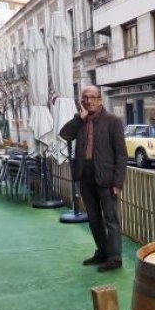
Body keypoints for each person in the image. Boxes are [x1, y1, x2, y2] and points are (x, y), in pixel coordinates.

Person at [59, 85, 127, 271]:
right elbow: (65, 134)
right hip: (85, 175)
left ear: (99, 100)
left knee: (111, 219)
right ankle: (103, 252)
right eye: (84, 97)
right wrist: (77, 119)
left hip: (106, 177)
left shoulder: (112, 121)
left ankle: (115, 258)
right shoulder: (81, 121)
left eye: (92, 97)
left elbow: (121, 155)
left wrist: (118, 182)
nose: (88, 101)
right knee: (94, 219)